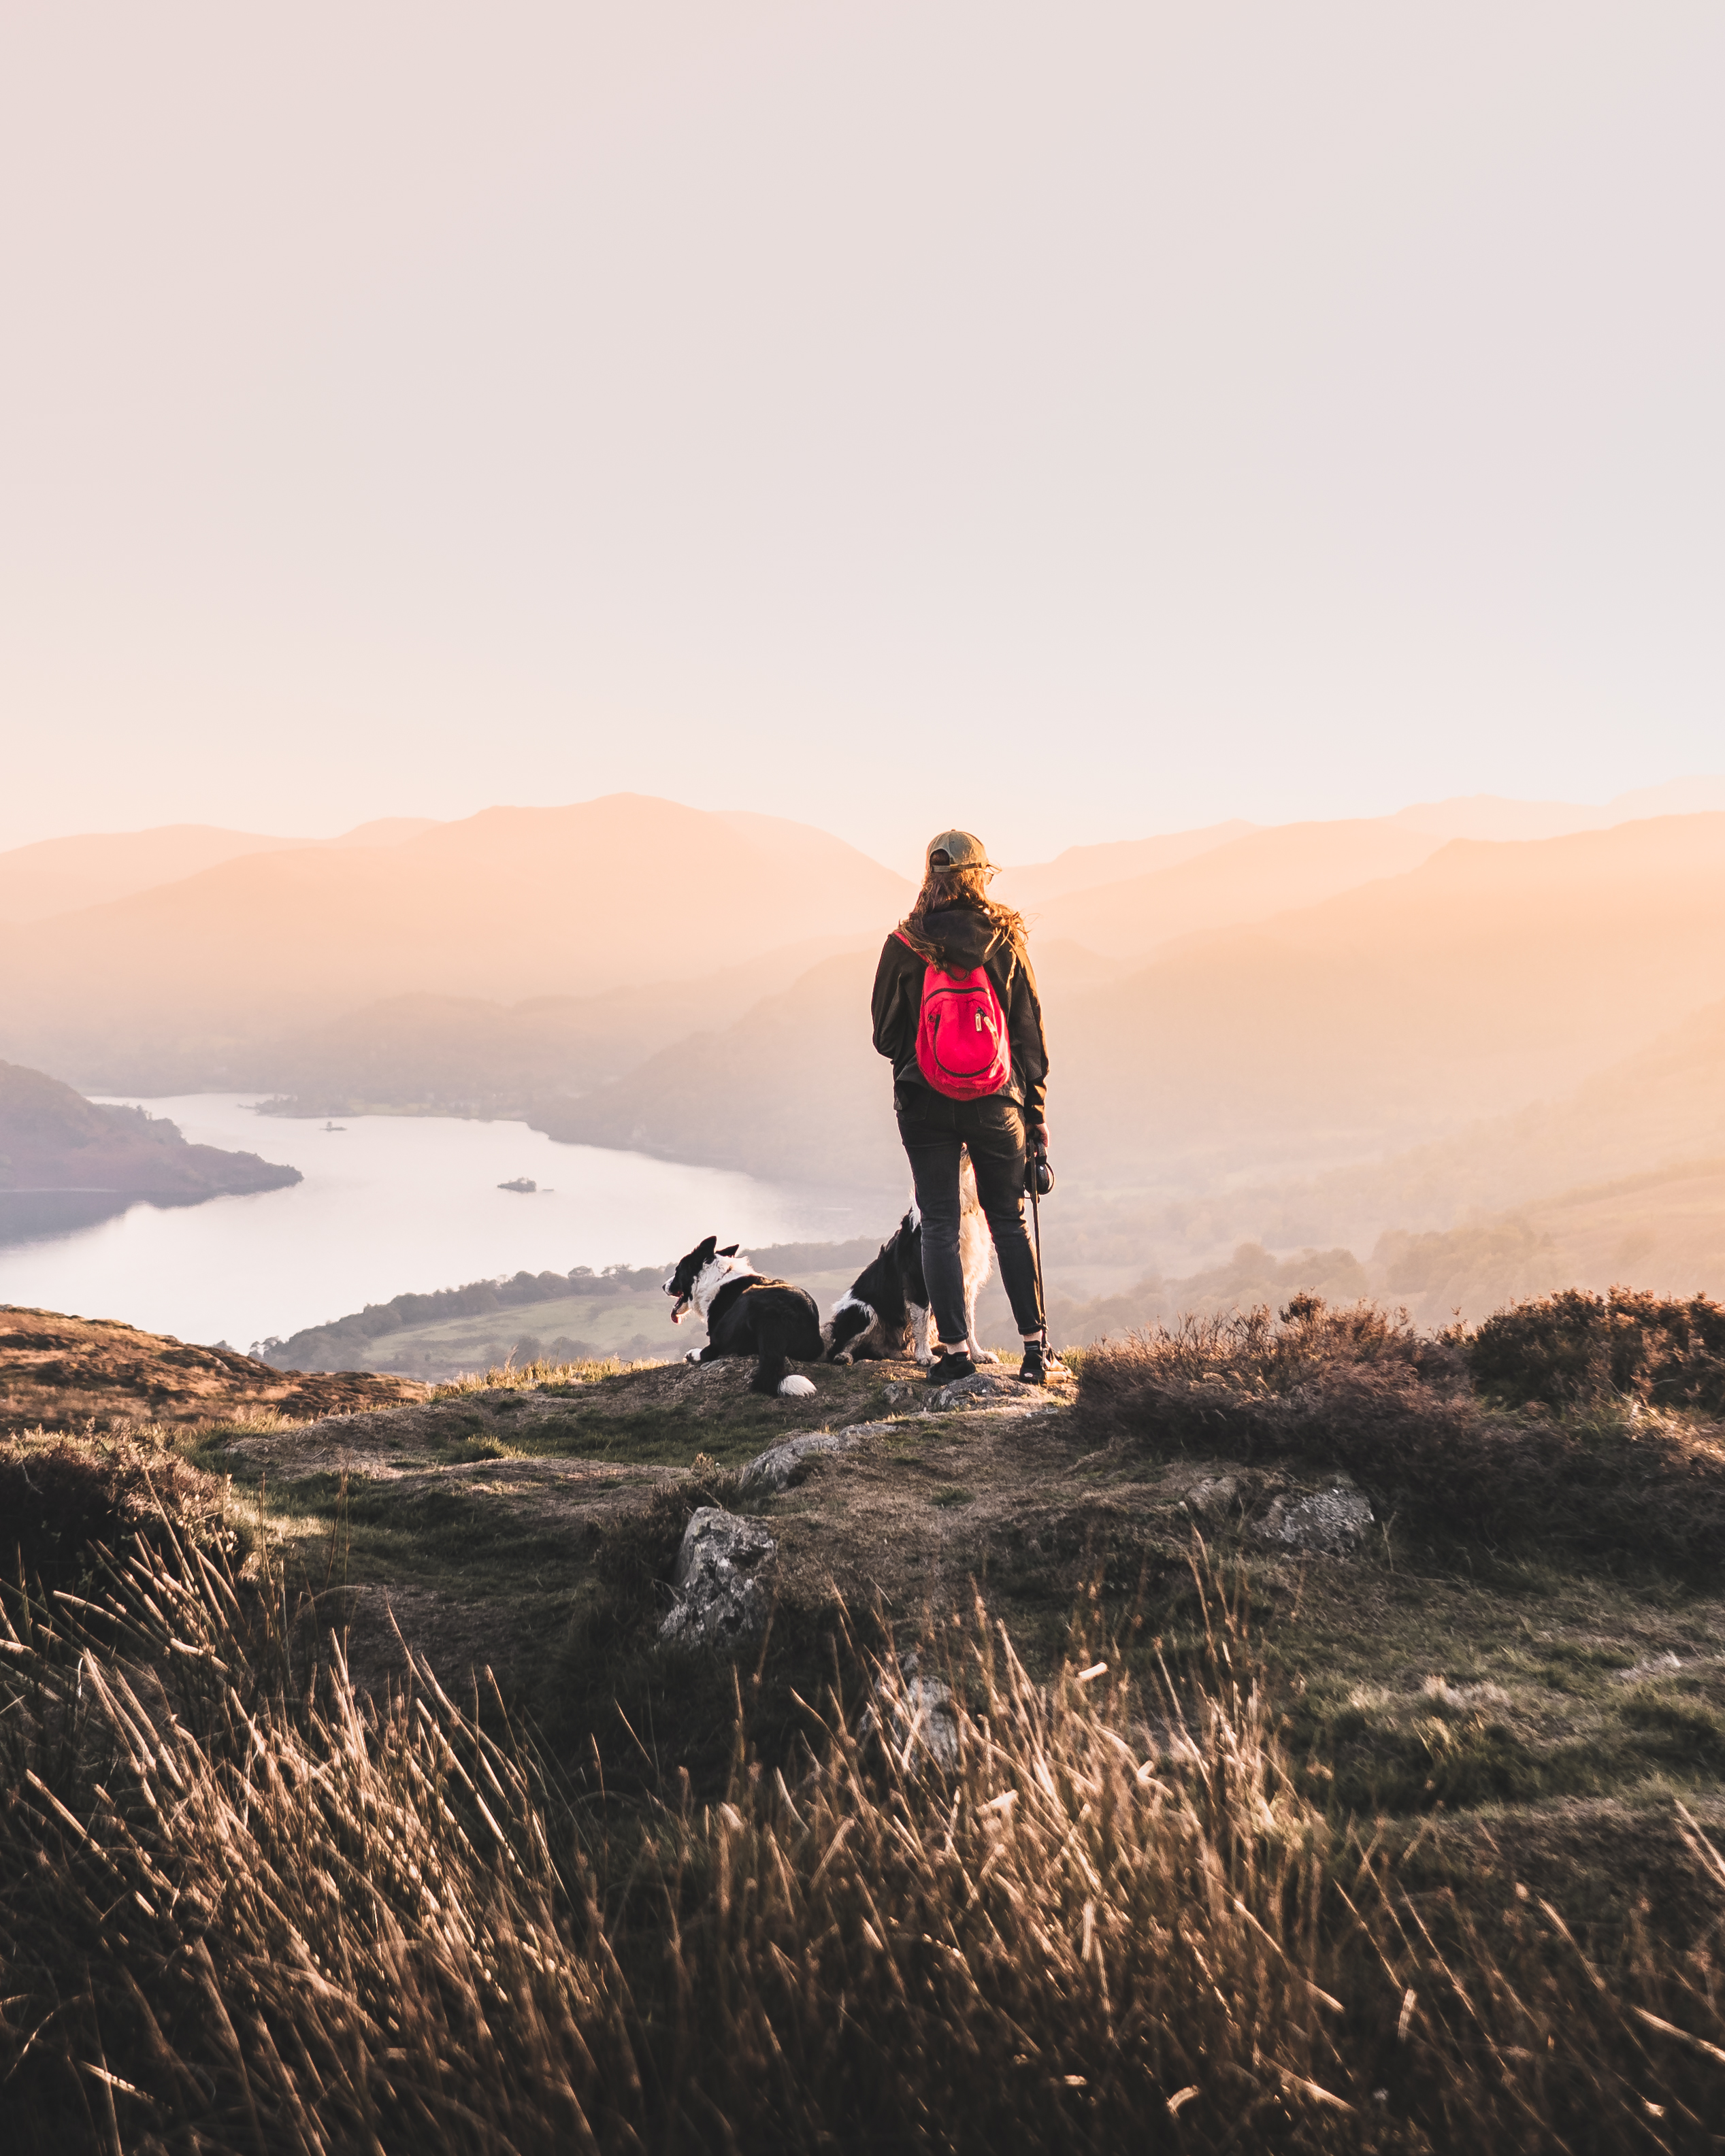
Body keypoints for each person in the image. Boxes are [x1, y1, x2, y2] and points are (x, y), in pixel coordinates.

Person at [871, 827, 1059, 1384]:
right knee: (1007, 1219)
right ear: (980, 875)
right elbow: (1030, 1037)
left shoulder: (905, 943)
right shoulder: (1004, 941)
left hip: (923, 1101)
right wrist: (1036, 1113)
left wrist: (919, 1063)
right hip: (997, 1102)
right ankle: (1033, 1349)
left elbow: (885, 1035)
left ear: (930, 876)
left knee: (938, 1223)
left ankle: (951, 1352)